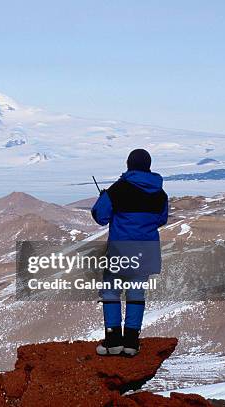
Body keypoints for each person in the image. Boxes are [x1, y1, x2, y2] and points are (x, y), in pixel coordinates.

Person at [91, 149, 168, 356]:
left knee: (110, 291)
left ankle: (113, 341)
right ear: (148, 166)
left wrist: (103, 198)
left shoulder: (118, 189)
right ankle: (132, 343)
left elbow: (101, 216)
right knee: (136, 293)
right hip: (146, 252)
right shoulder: (160, 193)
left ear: (129, 164)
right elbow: (162, 219)